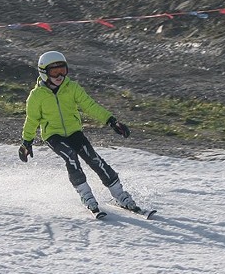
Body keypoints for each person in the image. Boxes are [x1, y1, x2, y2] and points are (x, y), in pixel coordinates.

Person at [18, 50, 139, 215]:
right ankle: (86, 195)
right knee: (71, 157)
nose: (60, 75)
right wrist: (26, 142)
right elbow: (32, 120)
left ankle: (120, 194)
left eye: (63, 70)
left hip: (74, 132)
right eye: (54, 72)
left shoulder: (72, 88)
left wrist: (111, 121)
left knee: (94, 159)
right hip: (53, 135)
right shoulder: (36, 96)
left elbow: (90, 106)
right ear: (44, 73)